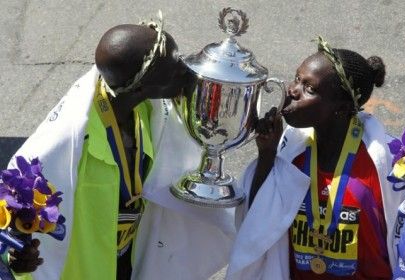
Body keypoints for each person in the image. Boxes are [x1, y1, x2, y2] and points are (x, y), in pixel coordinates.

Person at [7, 14, 234, 280]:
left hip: (130, 261)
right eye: (172, 71)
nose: (184, 72)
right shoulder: (67, 142)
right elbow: (14, 201)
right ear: (140, 88)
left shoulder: (152, 111)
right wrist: (15, 254)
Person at [226, 37, 405, 279]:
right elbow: (255, 229)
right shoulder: (291, 156)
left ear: (340, 108)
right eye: (297, 79)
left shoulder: (387, 167)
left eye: (309, 89)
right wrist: (266, 154)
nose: (292, 91)